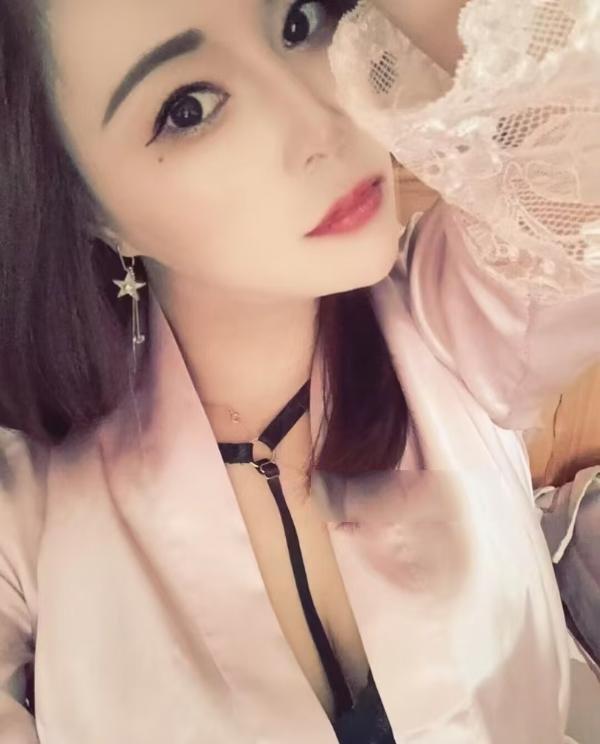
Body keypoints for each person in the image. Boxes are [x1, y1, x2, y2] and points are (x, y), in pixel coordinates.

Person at [0, 0, 598, 741]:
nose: (323, 121)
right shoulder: (30, 513)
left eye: (299, 22)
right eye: (188, 109)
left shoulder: (455, 313)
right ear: (90, 209)